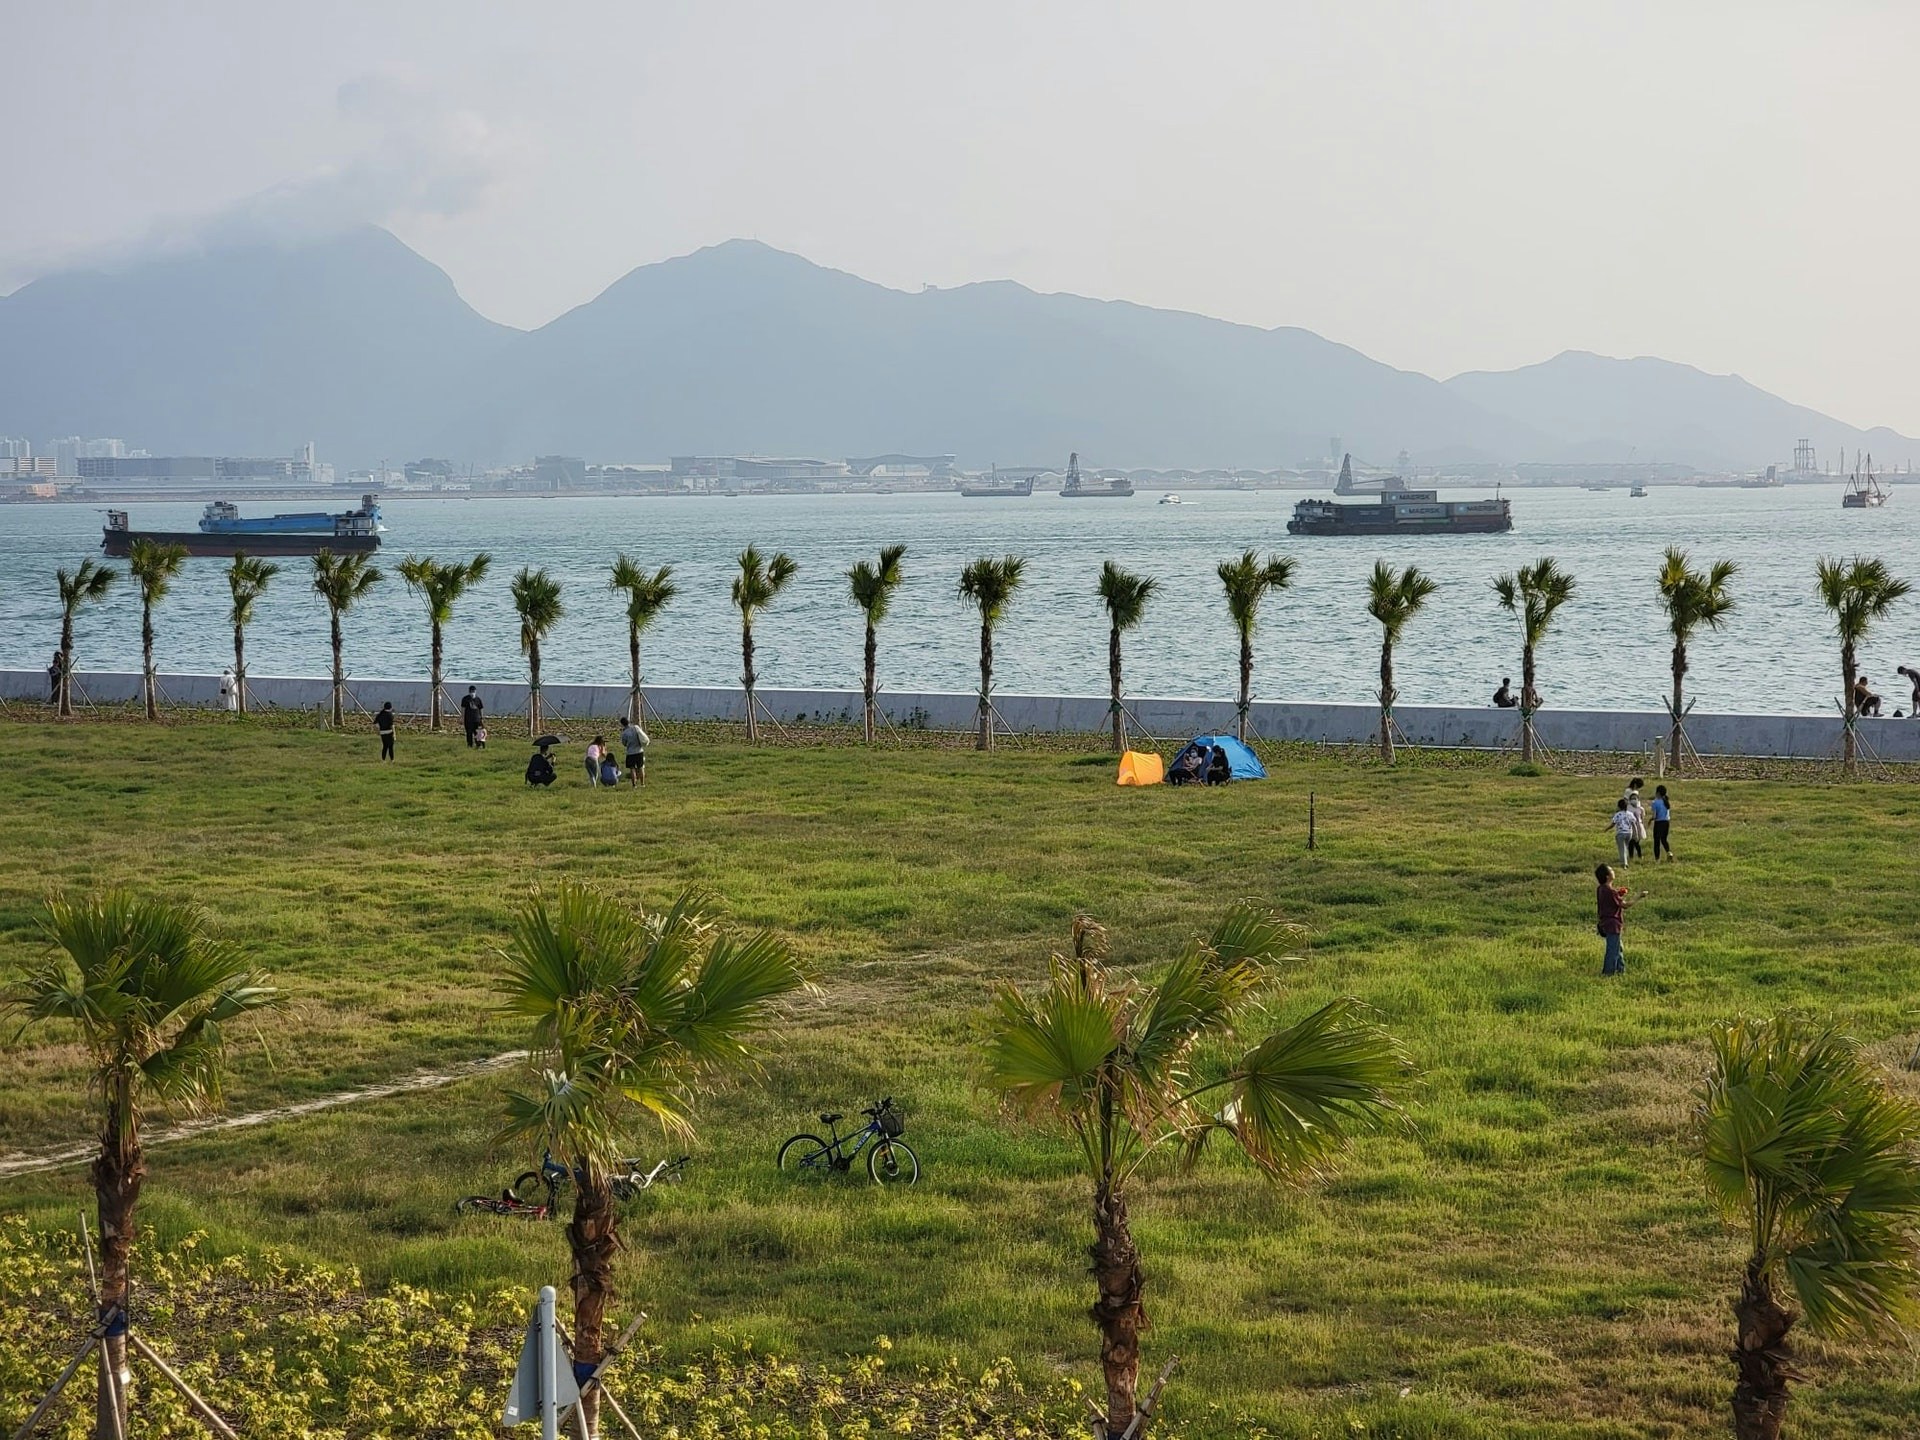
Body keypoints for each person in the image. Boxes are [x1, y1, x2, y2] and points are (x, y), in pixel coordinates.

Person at [1595, 863, 1638, 976]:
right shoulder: (1611, 892)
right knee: (1613, 951)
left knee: (1618, 948)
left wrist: (1619, 894)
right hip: (1613, 924)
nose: (1613, 871)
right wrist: (1639, 896)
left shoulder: (1601, 889)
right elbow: (1626, 905)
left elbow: (1609, 900)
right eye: (1611, 870)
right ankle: (1608, 973)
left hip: (1605, 923)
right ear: (1607, 876)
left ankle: (1620, 970)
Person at [1604, 798, 1637, 868]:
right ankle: (1626, 860)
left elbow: (1613, 824)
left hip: (1621, 833)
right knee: (1625, 847)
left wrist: (1606, 829)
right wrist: (1636, 833)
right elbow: (1634, 824)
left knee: (1622, 848)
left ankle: (1624, 864)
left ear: (1619, 806)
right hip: (1629, 833)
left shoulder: (1617, 815)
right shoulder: (1630, 814)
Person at [1622, 778, 1648, 862]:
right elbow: (1625, 801)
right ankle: (1633, 855)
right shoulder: (1628, 791)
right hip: (1630, 815)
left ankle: (1634, 855)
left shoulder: (1636, 792)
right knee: (1632, 838)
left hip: (1636, 817)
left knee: (1636, 838)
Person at [620, 716, 649, 787]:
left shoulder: (624, 733)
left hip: (630, 752)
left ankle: (634, 785)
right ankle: (642, 784)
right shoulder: (636, 727)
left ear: (622, 724)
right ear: (629, 721)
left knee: (632, 768)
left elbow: (624, 743)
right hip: (639, 751)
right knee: (641, 767)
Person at [1650, 784, 1673, 861]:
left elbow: (1654, 816)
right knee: (1664, 839)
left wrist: (1650, 820)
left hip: (1659, 823)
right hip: (1666, 822)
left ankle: (1657, 858)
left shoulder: (1655, 802)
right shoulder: (1666, 802)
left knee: (1656, 841)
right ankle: (1669, 852)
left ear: (1658, 793)